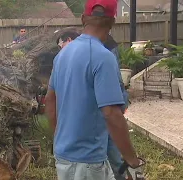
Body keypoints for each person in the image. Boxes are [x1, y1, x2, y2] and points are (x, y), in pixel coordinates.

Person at [45, 0, 144, 179]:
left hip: (64, 157)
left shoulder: (62, 55)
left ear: (83, 18)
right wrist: (132, 161)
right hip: (88, 162)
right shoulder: (103, 57)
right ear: (112, 22)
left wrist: (59, 140)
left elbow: (50, 101)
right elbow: (111, 113)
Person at [55, 31, 128, 180]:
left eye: (60, 45)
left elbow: (112, 110)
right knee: (110, 147)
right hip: (89, 143)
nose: (60, 49)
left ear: (68, 40)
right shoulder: (72, 56)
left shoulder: (97, 54)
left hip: (87, 149)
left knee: (112, 149)